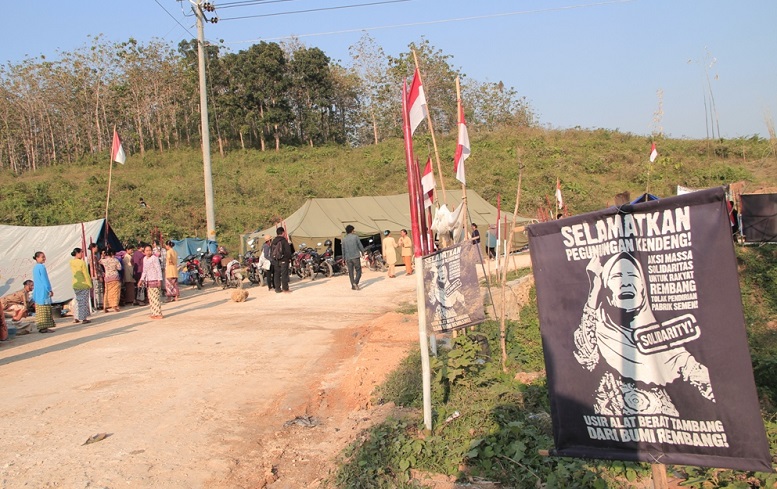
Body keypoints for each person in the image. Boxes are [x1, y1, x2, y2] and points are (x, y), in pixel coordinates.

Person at [573, 253, 714, 416]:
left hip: (661, 427)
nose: (626, 282)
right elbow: (585, 357)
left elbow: (698, 375)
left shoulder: (661, 334)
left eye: (632, 275)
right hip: (612, 427)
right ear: (605, 285)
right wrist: (594, 289)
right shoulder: (597, 327)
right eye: (617, 275)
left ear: (643, 288)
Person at [31, 251, 55, 333]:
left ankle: (42, 327)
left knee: (40, 309)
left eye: (44, 256)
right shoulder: (41, 267)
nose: (44, 258)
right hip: (43, 290)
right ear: (37, 258)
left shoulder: (35, 268)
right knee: (45, 309)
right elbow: (45, 279)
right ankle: (44, 327)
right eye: (42, 257)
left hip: (38, 290)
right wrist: (49, 289)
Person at [139, 244, 164, 319]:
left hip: (155, 279)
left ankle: (158, 313)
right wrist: (141, 279)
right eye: (147, 251)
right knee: (151, 298)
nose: (148, 252)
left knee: (156, 297)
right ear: (144, 251)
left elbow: (158, 269)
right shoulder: (144, 259)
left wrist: (159, 280)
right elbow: (144, 271)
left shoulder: (154, 258)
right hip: (148, 280)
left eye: (150, 250)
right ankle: (153, 313)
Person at [69, 248, 94, 323]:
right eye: (81, 253)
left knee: (77, 301)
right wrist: (90, 284)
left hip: (75, 284)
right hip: (83, 284)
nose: (82, 254)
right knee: (83, 302)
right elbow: (85, 274)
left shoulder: (71, 262)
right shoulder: (81, 262)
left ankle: (76, 317)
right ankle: (83, 318)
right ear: (77, 253)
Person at [342, 225, 365, 290]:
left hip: (348, 258)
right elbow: (360, 245)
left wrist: (343, 258)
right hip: (355, 256)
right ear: (352, 230)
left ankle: (353, 286)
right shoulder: (355, 237)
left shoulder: (344, 239)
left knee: (351, 272)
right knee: (359, 271)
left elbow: (343, 249)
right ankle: (355, 282)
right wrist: (363, 252)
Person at [270, 227, 292, 293]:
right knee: (284, 274)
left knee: (276, 274)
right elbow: (288, 251)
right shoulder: (283, 241)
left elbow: (271, 251)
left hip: (275, 260)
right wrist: (289, 258)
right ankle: (285, 289)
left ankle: (277, 289)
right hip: (283, 260)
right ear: (283, 233)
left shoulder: (273, 241)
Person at [101, 248, 122, 313]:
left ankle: (105, 306)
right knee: (115, 292)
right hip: (115, 277)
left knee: (107, 292)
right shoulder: (115, 260)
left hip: (107, 278)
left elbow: (100, 261)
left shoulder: (104, 261)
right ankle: (114, 305)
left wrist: (103, 256)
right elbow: (120, 268)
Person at [88, 243, 104, 311]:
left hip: (94, 275)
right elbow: (95, 267)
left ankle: (99, 304)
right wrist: (99, 275)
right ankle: (98, 304)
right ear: (93, 248)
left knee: (97, 290)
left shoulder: (93, 256)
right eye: (96, 247)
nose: (97, 248)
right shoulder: (92, 257)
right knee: (98, 290)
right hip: (96, 276)